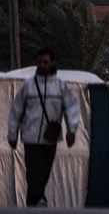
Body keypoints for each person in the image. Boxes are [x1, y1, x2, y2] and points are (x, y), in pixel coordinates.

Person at [7, 48, 81, 207]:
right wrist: (12, 135)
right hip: (31, 137)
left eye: (45, 62)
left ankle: (32, 204)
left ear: (52, 63)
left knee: (43, 174)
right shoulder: (29, 86)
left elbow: (71, 108)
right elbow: (16, 111)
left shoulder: (61, 87)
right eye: (39, 62)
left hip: (50, 138)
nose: (42, 65)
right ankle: (40, 200)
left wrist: (72, 130)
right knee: (35, 171)